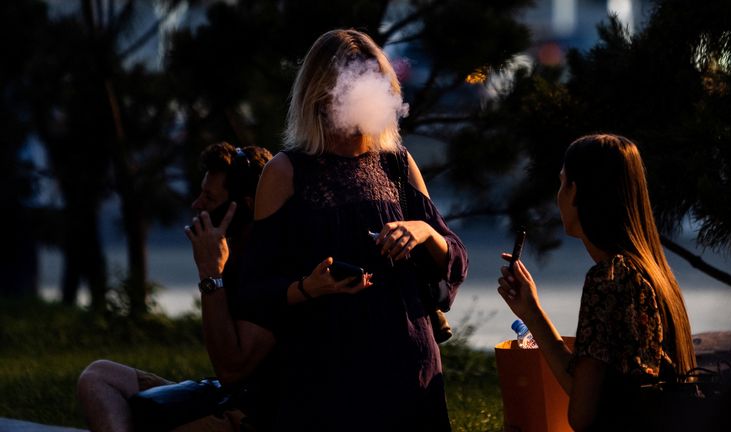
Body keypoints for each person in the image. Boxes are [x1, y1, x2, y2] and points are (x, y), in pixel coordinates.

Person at [237, 28, 468, 431]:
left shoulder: (395, 163)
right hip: (327, 375)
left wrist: (423, 232)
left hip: (408, 370)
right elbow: (254, 289)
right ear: (322, 95)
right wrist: (308, 287)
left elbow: (455, 259)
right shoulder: (286, 172)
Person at [497, 134, 697, 431]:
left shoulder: (608, 279)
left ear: (575, 192)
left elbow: (582, 414)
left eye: (562, 182)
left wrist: (533, 315)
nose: (559, 194)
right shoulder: (654, 272)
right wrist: (532, 313)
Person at [76, 142, 275, 432]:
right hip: (222, 395)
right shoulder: (236, 258)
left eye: (209, 197)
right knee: (98, 377)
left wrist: (211, 274)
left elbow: (233, 370)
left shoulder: (270, 265)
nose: (197, 205)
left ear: (245, 206)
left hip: (252, 415)